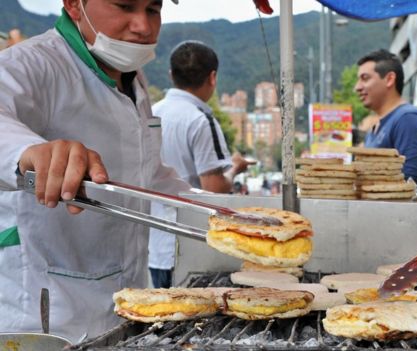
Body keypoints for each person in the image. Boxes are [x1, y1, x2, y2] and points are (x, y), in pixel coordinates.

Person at [0, 0, 189, 341]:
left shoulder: (134, 81)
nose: (143, 26)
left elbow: (147, 173)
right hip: (46, 313)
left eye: (153, 9)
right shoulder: (31, 64)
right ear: (74, 4)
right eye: (125, 6)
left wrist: (225, 211)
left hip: (123, 303)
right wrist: (31, 151)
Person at [148, 41, 249, 288]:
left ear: (172, 75)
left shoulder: (151, 112)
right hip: (190, 247)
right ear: (212, 77)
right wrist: (236, 168)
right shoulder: (200, 119)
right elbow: (213, 188)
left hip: (156, 246)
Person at [355, 49, 417, 190]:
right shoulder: (374, 129)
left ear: (389, 79)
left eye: (365, 78)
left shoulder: (408, 119)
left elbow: (411, 183)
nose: (357, 87)